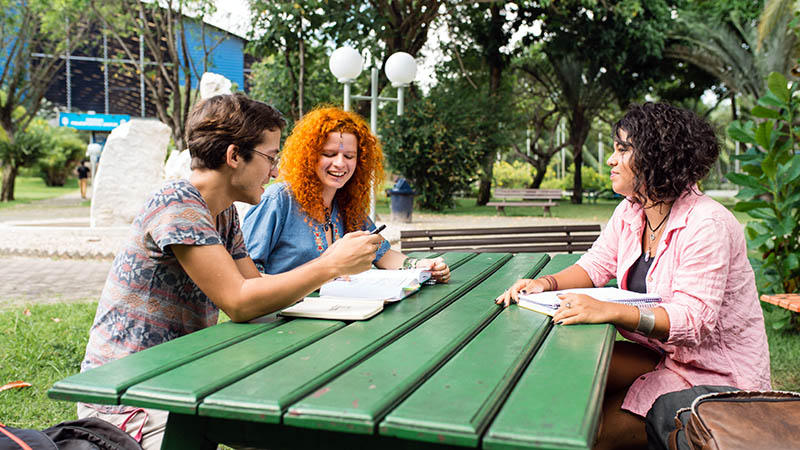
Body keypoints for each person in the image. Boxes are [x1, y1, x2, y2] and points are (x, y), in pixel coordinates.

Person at [78, 94, 383, 450]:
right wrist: (330, 264)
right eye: (270, 157)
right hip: (129, 397)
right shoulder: (177, 201)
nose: (274, 171)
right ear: (234, 156)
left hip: (179, 376)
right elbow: (239, 302)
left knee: (298, 425)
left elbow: (257, 291)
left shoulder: (223, 214)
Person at [495, 102, 770, 450]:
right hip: (664, 355)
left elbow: (694, 320)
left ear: (657, 156)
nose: (611, 160)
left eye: (622, 149)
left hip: (713, 375)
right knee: (555, 373)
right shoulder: (632, 210)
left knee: (591, 437)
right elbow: (596, 265)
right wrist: (544, 284)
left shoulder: (708, 224)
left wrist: (609, 310)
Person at [242, 106, 450, 282]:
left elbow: (383, 254)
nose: (340, 163)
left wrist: (421, 266)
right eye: (329, 154)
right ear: (308, 156)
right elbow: (247, 277)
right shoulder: (278, 200)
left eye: (349, 156)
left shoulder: (347, 204)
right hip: (280, 323)